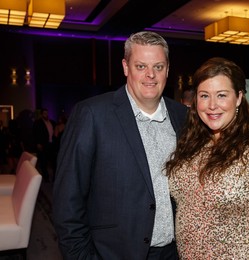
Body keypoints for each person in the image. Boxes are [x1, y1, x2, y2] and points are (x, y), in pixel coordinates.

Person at [53, 31, 188, 260]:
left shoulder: (183, 116)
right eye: (141, 66)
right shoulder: (92, 114)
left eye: (158, 66)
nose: (150, 75)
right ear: (126, 67)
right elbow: (68, 201)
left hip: (174, 253)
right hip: (114, 254)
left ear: (168, 69)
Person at [165, 57, 249, 259]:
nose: (212, 105)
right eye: (204, 96)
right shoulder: (190, 143)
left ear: (238, 97)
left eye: (222, 95)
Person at [32, 108, 55, 181]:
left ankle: (54, 176)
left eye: (47, 113)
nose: (46, 114)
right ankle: (46, 177)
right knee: (43, 161)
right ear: (42, 114)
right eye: (45, 113)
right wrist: (38, 143)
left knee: (53, 161)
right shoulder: (38, 122)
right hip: (43, 144)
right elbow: (35, 133)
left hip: (51, 144)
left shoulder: (51, 122)